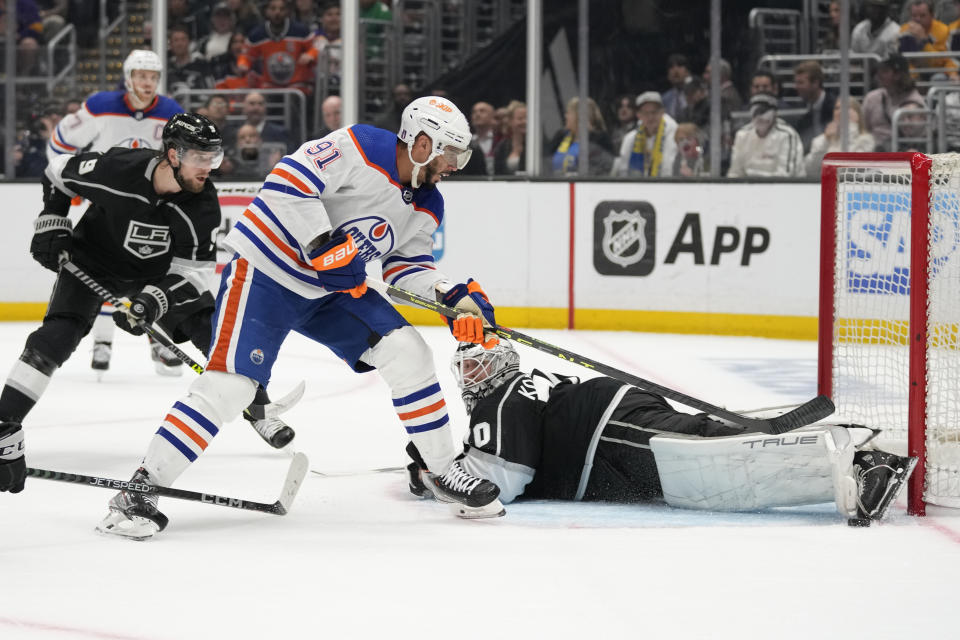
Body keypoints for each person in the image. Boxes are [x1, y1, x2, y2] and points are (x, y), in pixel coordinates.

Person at [93, 96, 506, 540]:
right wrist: (319, 242)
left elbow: (406, 268)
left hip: (332, 289)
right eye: (450, 154)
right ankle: (139, 490)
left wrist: (454, 298)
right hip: (266, 271)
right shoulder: (361, 145)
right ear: (422, 142)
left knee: (408, 352)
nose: (454, 165)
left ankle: (441, 471)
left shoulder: (429, 204)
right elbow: (286, 180)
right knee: (231, 387)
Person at [0, 114, 303, 498]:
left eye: (213, 157)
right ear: (173, 155)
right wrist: (53, 218)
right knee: (57, 336)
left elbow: (194, 273)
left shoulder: (203, 203)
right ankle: (4, 425)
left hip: (158, 275)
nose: (208, 167)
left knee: (212, 330)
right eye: (199, 157)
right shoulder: (117, 168)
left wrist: (154, 298)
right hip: (92, 260)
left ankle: (258, 409)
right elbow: (57, 171)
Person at [405, 342, 917, 526]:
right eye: (465, 372)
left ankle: (866, 463)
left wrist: (436, 475)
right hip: (608, 439)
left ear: (497, 367)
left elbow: (495, 489)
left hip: (604, 430)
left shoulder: (503, 397)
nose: (468, 380)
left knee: (708, 452)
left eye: (475, 369)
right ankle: (842, 474)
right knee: (716, 478)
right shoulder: (519, 390)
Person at [46, 50, 186, 377]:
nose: (147, 82)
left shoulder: (171, 111)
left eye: (153, 76)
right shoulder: (100, 105)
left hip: (152, 207)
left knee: (154, 270)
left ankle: (158, 341)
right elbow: (60, 141)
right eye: (141, 75)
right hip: (109, 202)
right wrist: (73, 183)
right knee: (102, 268)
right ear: (128, 77)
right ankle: (103, 342)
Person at [237, 0, 318, 95]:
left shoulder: (301, 31)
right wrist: (243, 64)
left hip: (297, 86)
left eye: (282, 9)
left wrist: (310, 54)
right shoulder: (257, 34)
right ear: (266, 11)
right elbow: (246, 55)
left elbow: (316, 47)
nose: (277, 12)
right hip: (270, 86)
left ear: (288, 11)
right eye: (273, 9)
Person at [727, 93, 804, 178]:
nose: (760, 117)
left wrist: (752, 175)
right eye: (756, 112)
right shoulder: (742, 135)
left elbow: (787, 175)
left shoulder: (787, 135)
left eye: (764, 111)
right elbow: (735, 173)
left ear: (775, 114)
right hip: (749, 187)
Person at [861, 54, 924, 151]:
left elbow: (917, 138)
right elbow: (863, 129)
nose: (879, 75)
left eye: (885, 71)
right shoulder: (871, 98)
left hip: (900, 155)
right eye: (878, 71)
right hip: (872, 152)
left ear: (898, 75)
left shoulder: (916, 102)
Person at [804, 97, 876, 177]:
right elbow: (810, 170)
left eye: (847, 107)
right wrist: (825, 140)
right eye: (837, 108)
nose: (841, 111)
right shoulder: (821, 140)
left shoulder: (866, 140)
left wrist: (850, 128)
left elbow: (848, 170)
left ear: (857, 114)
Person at [611, 91, 677, 178]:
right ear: (638, 115)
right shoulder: (630, 138)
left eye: (654, 112)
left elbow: (669, 168)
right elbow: (623, 171)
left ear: (662, 112)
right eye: (646, 113)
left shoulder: (674, 134)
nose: (650, 117)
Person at [547, 97, 615, 177]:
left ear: (579, 116)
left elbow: (603, 168)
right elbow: (547, 163)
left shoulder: (600, 139)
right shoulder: (561, 136)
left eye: (569, 113)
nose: (566, 116)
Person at [899, 0, 957, 77]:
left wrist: (923, 40)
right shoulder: (904, 31)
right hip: (912, 74)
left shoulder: (943, 30)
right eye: (914, 16)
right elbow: (902, 59)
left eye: (922, 16)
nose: (917, 19)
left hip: (935, 72)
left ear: (932, 15)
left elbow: (939, 62)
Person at [793, 61, 837, 152]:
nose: (796, 87)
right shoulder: (803, 117)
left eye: (801, 83)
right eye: (796, 83)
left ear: (815, 83)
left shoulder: (836, 108)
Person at [492, 100, 527, 176]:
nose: (525, 122)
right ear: (511, 121)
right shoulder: (502, 147)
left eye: (527, 118)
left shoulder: (536, 146)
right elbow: (497, 174)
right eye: (520, 119)